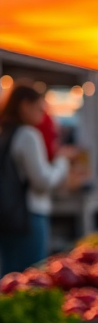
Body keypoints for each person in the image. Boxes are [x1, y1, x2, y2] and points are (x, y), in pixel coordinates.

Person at [0, 81, 71, 272]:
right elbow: (43, 181)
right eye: (40, 109)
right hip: (29, 217)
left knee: (9, 277)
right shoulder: (28, 135)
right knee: (32, 277)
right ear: (24, 105)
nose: (43, 114)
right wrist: (62, 163)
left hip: (7, 216)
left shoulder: (5, 133)